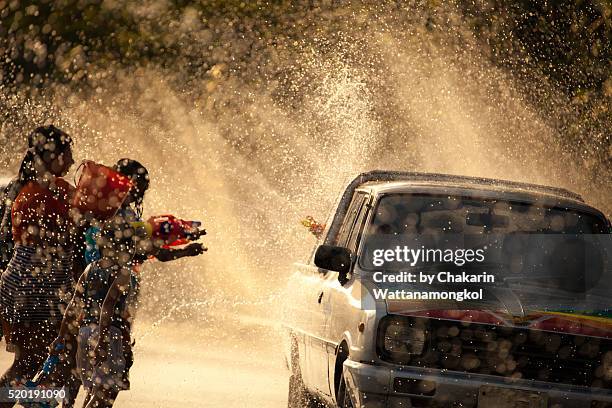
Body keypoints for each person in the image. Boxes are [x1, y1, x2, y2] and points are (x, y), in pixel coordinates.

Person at [0, 125, 76, 400]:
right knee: (35, 362)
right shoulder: (50, 192)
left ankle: (27, 400)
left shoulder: (25, 188)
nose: (72, 160)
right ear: (53, 154)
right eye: (68, 152)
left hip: (24, 286)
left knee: (34, 361)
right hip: (34, 291)